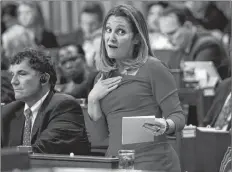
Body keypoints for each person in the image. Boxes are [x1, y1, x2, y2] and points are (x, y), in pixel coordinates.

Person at [87, 4, 185, 172]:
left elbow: (178, 116)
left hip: (153, 163)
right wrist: (92, 99)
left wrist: (165, 124)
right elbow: (100, 138)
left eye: (121, 32)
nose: (111, 38)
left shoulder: (153, 68)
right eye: (108, 30)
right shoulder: (102, 77)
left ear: (137, 38)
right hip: (117, 163)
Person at [1, 48, 90, 155]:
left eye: (22, 74)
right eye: (12, 74)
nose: (13, 81)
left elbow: (40, 152)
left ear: (44, 79)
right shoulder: (8, 112)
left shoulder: (65, 107)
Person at [158, 7, 230, 79]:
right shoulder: (179, 47)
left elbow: (197, 82)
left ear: (188, 26)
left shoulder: (207, 45)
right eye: (165, 35)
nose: (168, 40)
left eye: (172, 33)